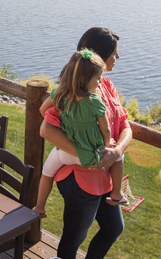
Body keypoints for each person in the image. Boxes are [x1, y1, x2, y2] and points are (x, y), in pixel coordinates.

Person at [34, 27, 132, 259]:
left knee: (113, 228)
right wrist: (87, 155)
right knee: (73, 239)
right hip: (81, 180)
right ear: (97, 57)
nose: (117, 58)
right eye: (114, 54)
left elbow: (125, 126)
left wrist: (116, 150)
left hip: (105, 176)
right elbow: (46, 127)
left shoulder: (107, 86)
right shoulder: (71, 93)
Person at [41, 49, 127, 206]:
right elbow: (106, 129)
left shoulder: (59, 94)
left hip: (65, 153)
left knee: (46, 172)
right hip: (93, 153)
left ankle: (39, 206)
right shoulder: (94, 101)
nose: (100, 82)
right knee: (119, 156)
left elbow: (42, 110)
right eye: (98, 78)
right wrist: (108, 145)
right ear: (83, 80)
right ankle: (117, 192)